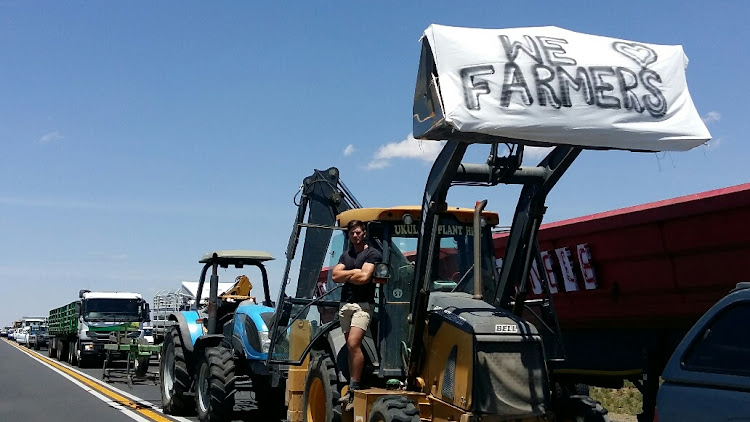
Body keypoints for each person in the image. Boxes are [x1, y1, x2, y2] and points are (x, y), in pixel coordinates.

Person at [332, 219, 382, 410]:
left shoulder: (373, 253)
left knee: (354, 343)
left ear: (364, 233)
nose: (355, 235)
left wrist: (349, 274)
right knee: (350, 347)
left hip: (363, 306)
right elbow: (335, 276)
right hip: (345, 305)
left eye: (358, 232)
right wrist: (354, 271)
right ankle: (352, 387)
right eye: (352, 233)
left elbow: (364, 278)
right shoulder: (346, 255)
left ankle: (355, 386)